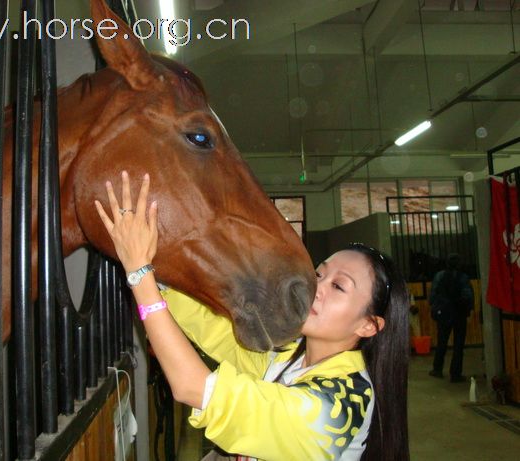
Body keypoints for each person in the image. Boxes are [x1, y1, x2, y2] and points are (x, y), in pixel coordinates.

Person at [94, 171, 410, 461]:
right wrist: (160, 278)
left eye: (339, 286)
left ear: (369, 325)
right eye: (319, 273)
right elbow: (217, 332)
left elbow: (193, 387)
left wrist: (140, 273)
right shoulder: (290, 356)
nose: (317, 287)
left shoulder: (339, 406)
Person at [428, 253, 474, 383]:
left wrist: (435, 307)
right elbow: (468, 296)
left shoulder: (439, 276)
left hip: (444, 314)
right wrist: (468, 310)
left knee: (442, 342)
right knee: (459, 345)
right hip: (459, 314)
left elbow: (433, 295)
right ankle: (455, 374)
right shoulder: (463, 278)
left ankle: (437, 369)